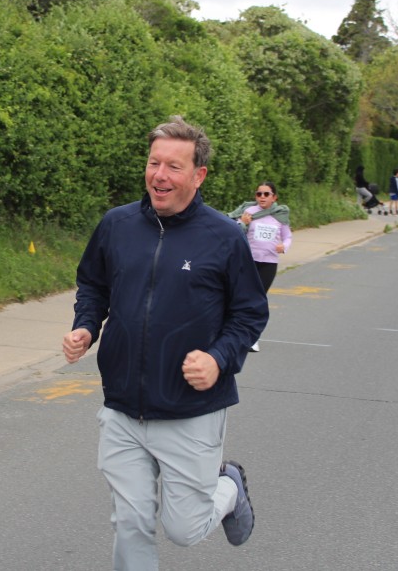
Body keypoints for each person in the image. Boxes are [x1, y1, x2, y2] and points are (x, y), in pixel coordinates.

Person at [63, 116, 268, 569]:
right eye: (154, 163)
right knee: (130, 522)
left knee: (184, 529)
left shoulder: (224, 237)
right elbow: (93, 285)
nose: (160, 175)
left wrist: (218, 359)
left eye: (174, 166)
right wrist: (86, 326)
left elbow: (250, 313)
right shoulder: (117, 225)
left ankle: (229, 487)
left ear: (198, 175)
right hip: (122, 407)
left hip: (190, 411)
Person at [229, 182, 293, 295]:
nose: (262, 197)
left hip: (269, 262)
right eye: (259, 194)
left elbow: (287, 236)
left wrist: (284, 246)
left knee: (259, 295)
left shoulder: (279, 214)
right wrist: (242, 222)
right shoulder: (249, 211)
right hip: (248, 260)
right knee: (243, 293)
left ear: (274, 197)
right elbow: (235, 232)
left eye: (266, 194)